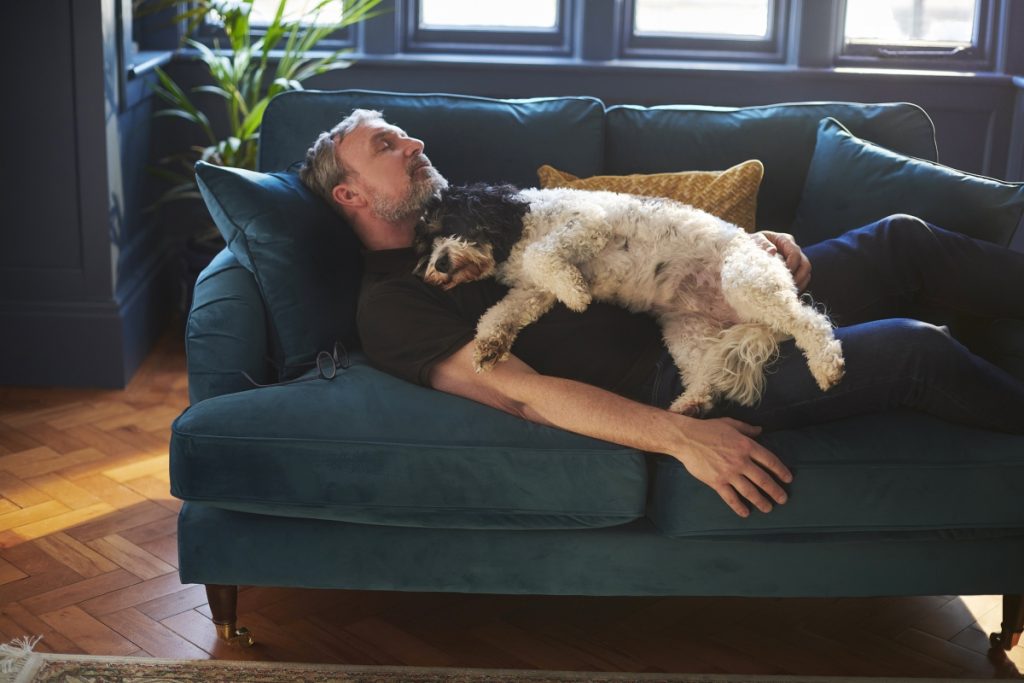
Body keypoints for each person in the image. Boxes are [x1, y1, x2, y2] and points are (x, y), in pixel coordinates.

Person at [299, 109, 1024, 518]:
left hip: (696, 281)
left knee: (902, 241)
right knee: (912, 349)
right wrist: (682, 435)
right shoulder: (393, 301)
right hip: (676, 362)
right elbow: (520, 393)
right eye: (386, 147)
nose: (415, 144)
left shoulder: (476, 210)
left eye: (404, 135)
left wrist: (753, 246)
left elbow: (624, 231)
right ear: (351, 197)